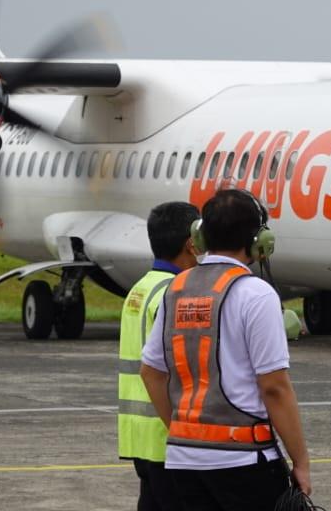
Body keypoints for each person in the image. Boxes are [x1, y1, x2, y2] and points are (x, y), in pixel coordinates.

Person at [140, 189, 311, 510]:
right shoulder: (255, 294)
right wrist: (300, 460)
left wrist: (181, 431)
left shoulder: (175, 289)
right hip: (244, 460)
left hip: (183, 460)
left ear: (200, 236)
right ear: (260, 240)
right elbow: (274, 387)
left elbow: (151, 373)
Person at [119, 201, 202, 511]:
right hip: (169, 433)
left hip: (140, 435)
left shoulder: (140, 289)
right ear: (191, 243)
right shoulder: (177, 293)